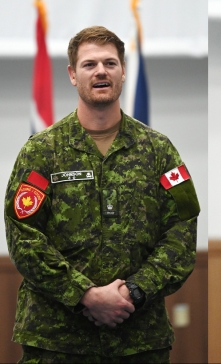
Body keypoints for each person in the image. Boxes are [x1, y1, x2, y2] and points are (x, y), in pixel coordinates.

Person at [4, 26, 199, 363]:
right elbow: (23, 236)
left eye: (110, 63)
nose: (100, 72)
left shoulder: (159, 150)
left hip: (139, 338)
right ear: (72, 74)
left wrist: (133, 292)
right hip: (56, 340)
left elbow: (182, 232)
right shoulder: (42, 151)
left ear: (123, 71)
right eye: (89, 64)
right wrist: (85, 295)